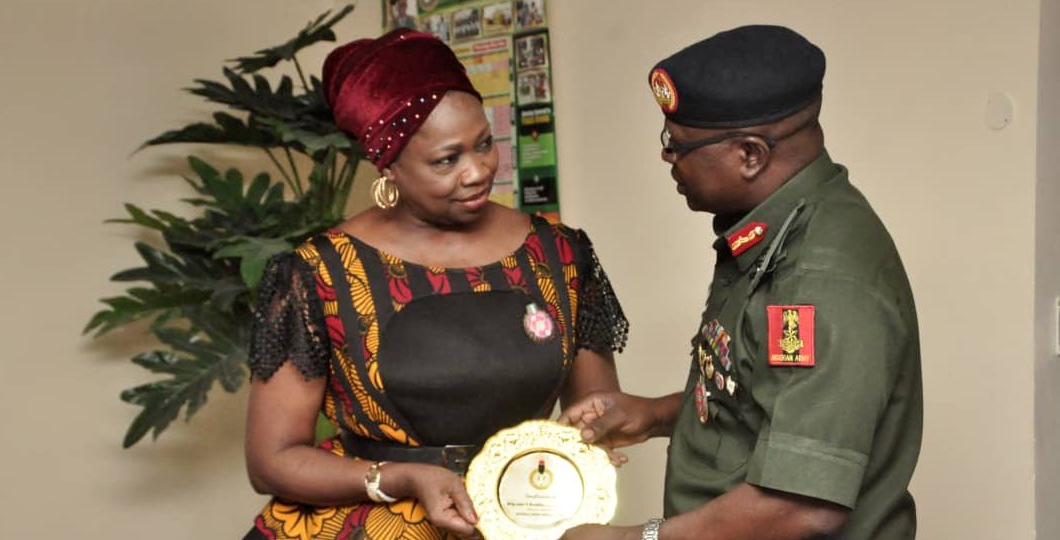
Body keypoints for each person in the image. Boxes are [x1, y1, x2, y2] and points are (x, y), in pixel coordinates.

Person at [242, 28, 628, 540]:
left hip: (521, 521)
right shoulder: (318, 274)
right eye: (447, 160)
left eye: (484, 145)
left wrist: (586, 446)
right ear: (390, 167)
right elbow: (271, 460)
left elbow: (596, 413)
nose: (477, 172)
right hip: (371, 524)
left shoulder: (560, 255)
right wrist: (400, 477)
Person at [559, 25, 922, 540]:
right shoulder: (775, 226)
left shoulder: (818, 277)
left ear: (751, 154)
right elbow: (765, 401)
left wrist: (633, 538)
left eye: (678, 145)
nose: (668, 158)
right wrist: (655, 414)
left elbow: (800, 507)